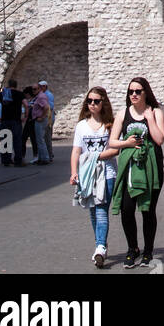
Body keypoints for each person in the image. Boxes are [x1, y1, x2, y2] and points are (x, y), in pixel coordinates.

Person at [109, 76, 164, 268]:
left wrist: (150, 119)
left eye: (137, 91)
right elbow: (112, 141)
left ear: (145, 93)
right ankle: (132, 248)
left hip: (151, 168)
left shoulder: (155, 112)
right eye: (131, 91)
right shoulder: (123, 113)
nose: (133, 94)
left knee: (148, 210)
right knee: (127, 209)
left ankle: (148, 250)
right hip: (130, 170)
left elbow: (159, 139)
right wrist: (128, 143)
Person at [70, 87, 117, 268]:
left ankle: (100, 247)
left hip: (107, 173)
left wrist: (95, 156)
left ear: (103, 103)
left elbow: (114, 150)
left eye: (96, 101)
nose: (92, 104)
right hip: (87, 174)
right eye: (89, 101)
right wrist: (74, 172)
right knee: (92, 210)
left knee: (101, 209)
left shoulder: (110, 124)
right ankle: (101, 243)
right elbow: (76, 150)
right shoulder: (81, 126)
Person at [0, 79, 27, 167]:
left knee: (5, 140)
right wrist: (25, 116)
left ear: (9, 85)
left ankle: (5, 160)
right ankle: (18, 160)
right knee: (17, 140)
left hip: (5, 120)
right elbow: (26, 104)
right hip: (16, 120)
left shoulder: (3, 93)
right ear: (16, 85)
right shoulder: (19, 94)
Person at [32, 82, 52, 165]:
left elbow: (46, 107)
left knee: (40, 140)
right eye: (32, 89)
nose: (33, 91)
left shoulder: (40, 97)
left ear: (39, 89)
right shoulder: (39, 96)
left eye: (35, 89)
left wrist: (42, 117)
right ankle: (41, 158)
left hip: (40, 120)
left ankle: (45, 158)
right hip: (39, 119)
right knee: (40, 139)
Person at [38, 80, 55, 161]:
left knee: (47, 137)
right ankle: (48, 154)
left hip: (48, 118)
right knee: (45, 137)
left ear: (45, 86)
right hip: (47, 118)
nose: (40, 88)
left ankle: (49, 155)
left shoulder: (48, 95)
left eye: (41, 86)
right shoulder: (44, 94)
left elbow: (50, 107)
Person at [21, 85, 38, 162]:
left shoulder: (34, 100)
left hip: (32, 121)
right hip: (29, 121)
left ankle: (36, 155)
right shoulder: (29, 101)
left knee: (33, 139)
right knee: (24, 138)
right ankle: (22, 155)